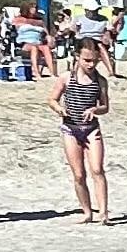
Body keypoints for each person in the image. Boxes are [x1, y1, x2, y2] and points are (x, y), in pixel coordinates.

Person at [48, 37, 112, 222]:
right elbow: (52, 99)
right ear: (77, 57)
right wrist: (59, 109)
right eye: (87, 60)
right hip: (70, 129)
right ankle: (86, 212)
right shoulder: (66, 78)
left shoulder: (100, 81)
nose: (91, 64)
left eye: (94, 60)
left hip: (91, 129)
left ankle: (103, 212)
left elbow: (105, 107)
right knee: (78, 174)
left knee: (97, 169)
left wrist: (95, 109)